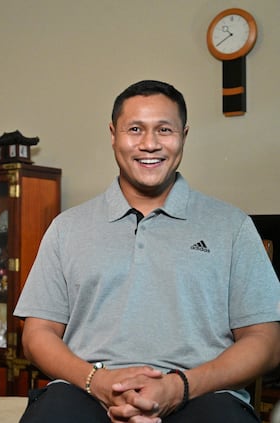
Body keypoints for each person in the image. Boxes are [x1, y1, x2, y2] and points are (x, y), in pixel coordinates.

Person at [14, 80, 280, 423]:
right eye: (135, 129)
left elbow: (266, 342)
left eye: (164, 130)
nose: (150, 144)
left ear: (183, 135)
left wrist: (178, 387)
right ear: (113, 134)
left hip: (201, 393)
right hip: (86, 391)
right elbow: (37, 334)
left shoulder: (232, 226)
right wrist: (100, 382)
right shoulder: (67, 228)